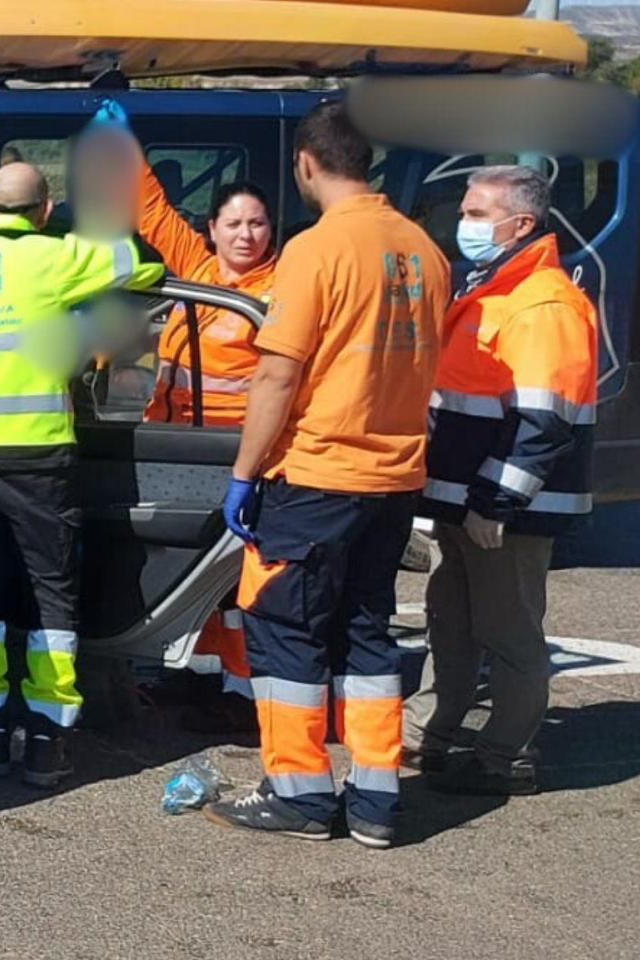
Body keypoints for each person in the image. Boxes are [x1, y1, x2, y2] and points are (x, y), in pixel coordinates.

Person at [201, 104, 449, 850]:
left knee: (285, 634)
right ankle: (376, 798)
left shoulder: (317, 251)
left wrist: (245, 472)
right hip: (395, 476)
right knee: (368, 632)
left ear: (307, 164)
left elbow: (278, 374)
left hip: (316, 474)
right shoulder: (424, 252)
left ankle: (301, 794)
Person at [0, 161, 163, 787]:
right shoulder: (58, 257)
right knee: (51, 591)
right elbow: (145, 261)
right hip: (41, 454)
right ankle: (47, 738)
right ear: (43, 211)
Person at [401, 164, 598, 798]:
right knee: (451, 622)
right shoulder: (495, 288)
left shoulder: (543, 304)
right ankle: (439, 733)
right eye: (465, 211)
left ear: (521, 224)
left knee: (507, 629)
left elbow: (543, 420)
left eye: (478, 214)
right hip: (466, 503)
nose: (464, 225)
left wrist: (497, 500)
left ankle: (504, 754)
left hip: (503, 510)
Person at [108, 102, 280, 732]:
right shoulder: (200, 271)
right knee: (189, 574)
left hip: (238, 449)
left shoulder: (279, 289)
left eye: (257, 224)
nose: (245, 234)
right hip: (178, 440)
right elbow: (149, 208)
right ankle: (196, 680)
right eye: (234, 223)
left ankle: (241, 693)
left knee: (236, 583)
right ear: (211, 229)